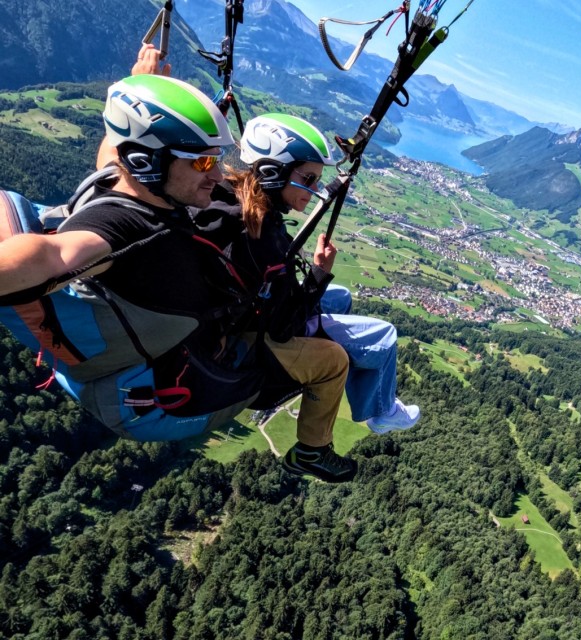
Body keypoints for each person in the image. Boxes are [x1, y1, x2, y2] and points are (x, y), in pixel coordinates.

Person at [0, 75, 358, 482]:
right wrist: (315, 279)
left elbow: (112, 149)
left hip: (145, 368)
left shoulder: (120, 185)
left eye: (216, 160)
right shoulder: (128, 231)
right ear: (145, 163)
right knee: (333, 360)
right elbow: (54, 256)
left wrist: (140, 74)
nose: (218, 175)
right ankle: (313, 449)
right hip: (160, 403)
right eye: (203, 162)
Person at [204, 112, 421, 434]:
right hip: (260, 331)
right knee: (384, 335)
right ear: (272, 173)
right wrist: (318, 274)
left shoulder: (231, 198)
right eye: (308, 179)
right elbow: (284, 324)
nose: (316, 188)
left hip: (247, 312)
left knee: (341, 296)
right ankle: (382, 412)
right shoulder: (261, 236)